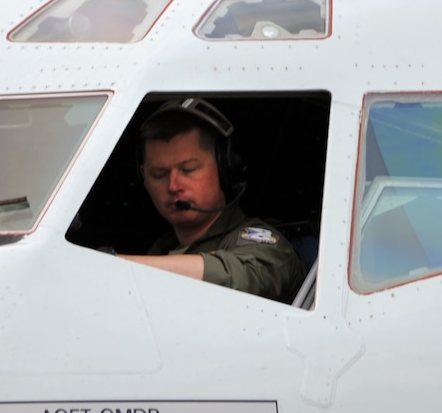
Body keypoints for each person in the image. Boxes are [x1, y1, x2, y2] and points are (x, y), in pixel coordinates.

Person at [119, 98, 307, 304]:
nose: (173, 186)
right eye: (159, 173)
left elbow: (242, 277)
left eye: (188, 170)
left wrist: (117, 268)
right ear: (144, 178)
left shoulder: (265, 246)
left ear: (225, 168)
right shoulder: (160, 250)